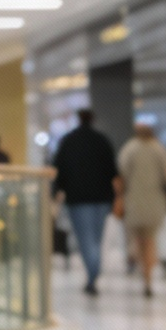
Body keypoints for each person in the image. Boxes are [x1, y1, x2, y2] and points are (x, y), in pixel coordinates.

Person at [49, 110, 119, 297]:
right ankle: (93, 272)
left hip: (78, 198)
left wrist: (58, 191)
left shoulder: (69, 141)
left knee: (86, 239)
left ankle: (93, 275)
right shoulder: (101, 140)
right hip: (101, 197)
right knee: (96, 238)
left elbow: (59, 169)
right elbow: (113, 170)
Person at [116, 121, 166, 297]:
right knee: (150, 240)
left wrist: (120, 197)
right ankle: (148, 276)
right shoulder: (159, 149)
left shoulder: (129, 149)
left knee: (138, 239)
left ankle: (142, 270)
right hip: (155, 202)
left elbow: (121, 177)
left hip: (134, 202)